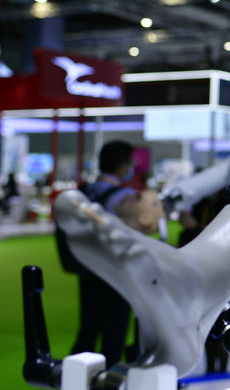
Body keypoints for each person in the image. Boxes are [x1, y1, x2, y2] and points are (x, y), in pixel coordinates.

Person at [56, 140, 161, 367]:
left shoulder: (83, 193)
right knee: (114, 334)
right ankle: (107, 378)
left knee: (88, 328)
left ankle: (75, 376)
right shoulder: (125, 197)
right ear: (123, 166)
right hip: (117, 273)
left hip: (88, 268)